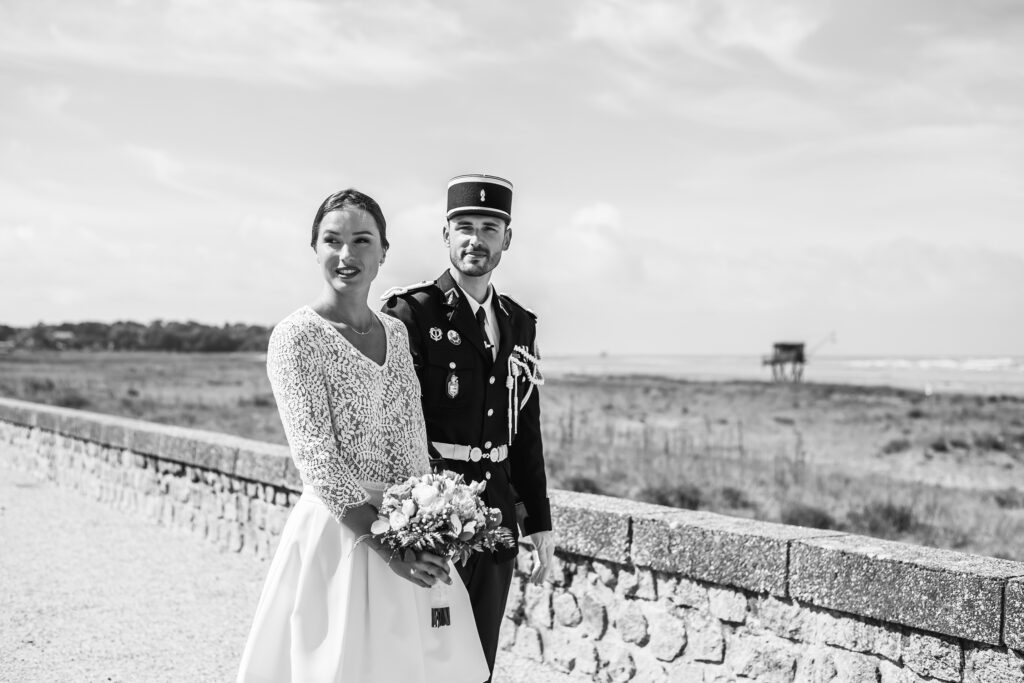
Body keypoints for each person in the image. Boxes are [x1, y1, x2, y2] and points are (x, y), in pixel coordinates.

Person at [237, 189, 488, 683]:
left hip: (408, 527)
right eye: (332, 241)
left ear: (383, 252)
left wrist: (432, 519)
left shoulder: (395, 332)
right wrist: (389, 547)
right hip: (340, 533)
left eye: (361, 240)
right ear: (315, 249)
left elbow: (411, 433)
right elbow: (317, 460)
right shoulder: (295, 336)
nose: (346, 255)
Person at [382, 173, 556, 679]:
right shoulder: (411, 312)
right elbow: (393, 424)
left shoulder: (520, 322)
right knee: (424, 653)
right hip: (430, 510)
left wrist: (539, 522)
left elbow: (524, 430)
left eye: (488, 227)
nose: (475, 239)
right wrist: (405, 518)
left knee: (479, 657)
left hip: (497, 516)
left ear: (506, 239)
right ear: (446, 235)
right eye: (464, 226)